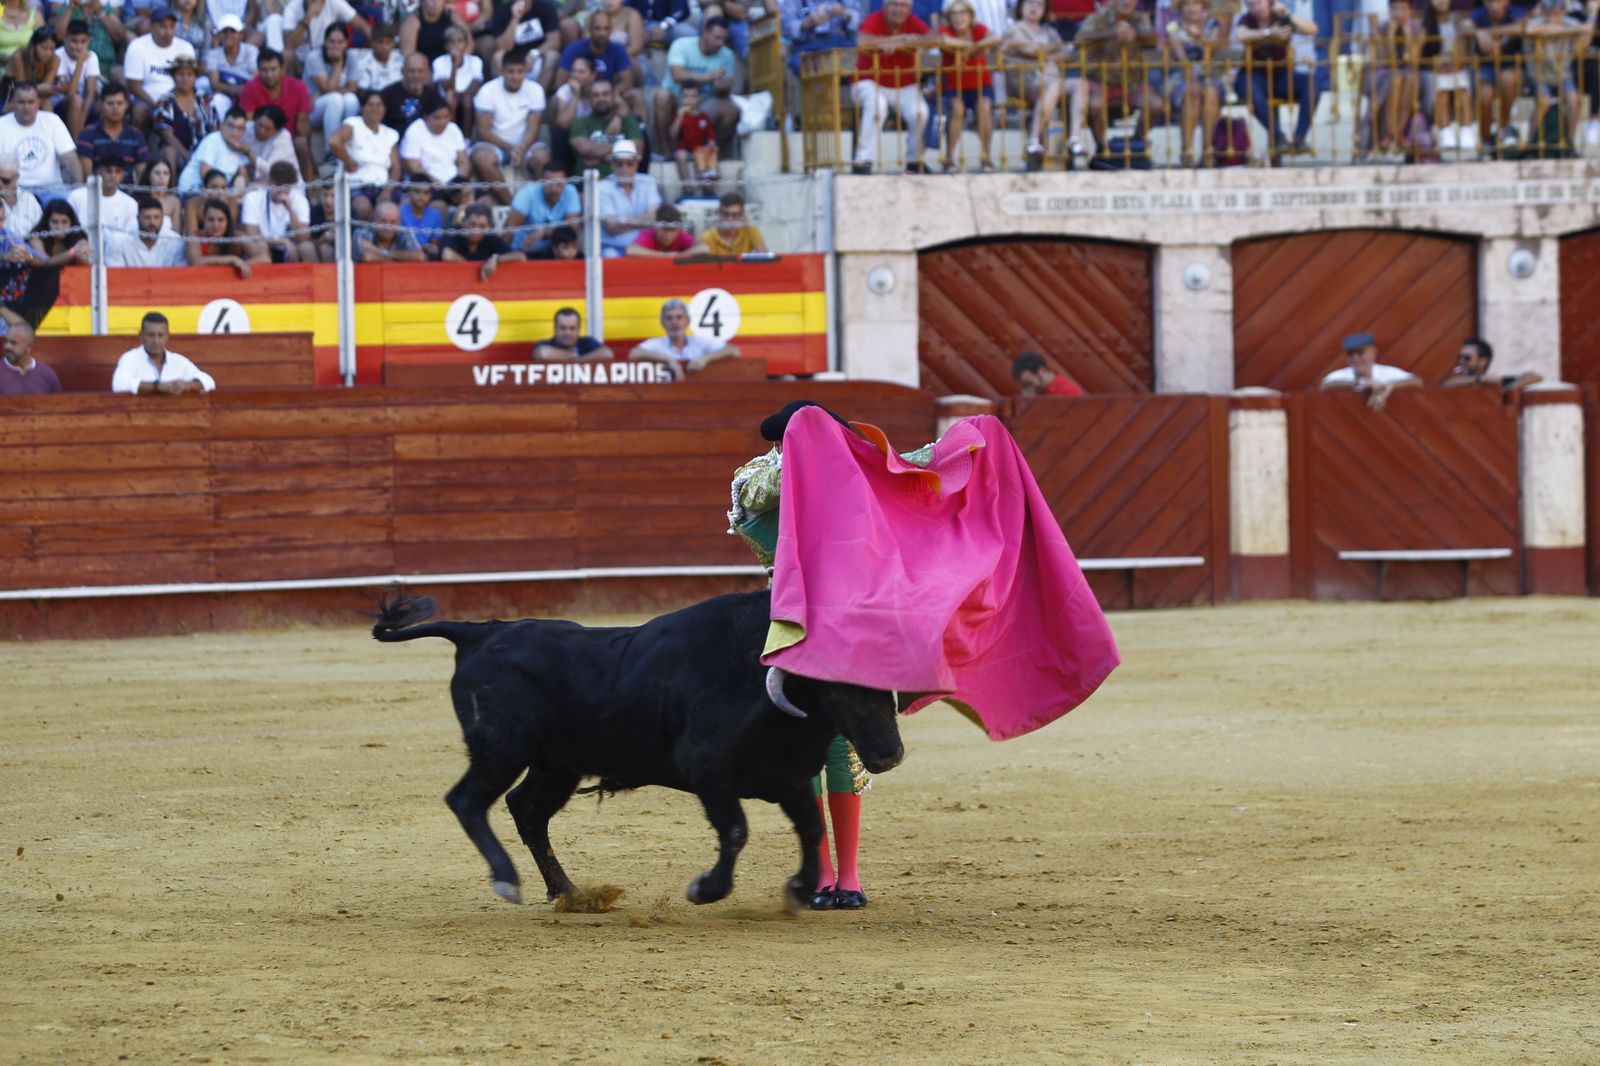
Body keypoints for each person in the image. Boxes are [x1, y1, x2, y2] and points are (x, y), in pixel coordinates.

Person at [724, 399, 879, 910]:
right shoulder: (759, 477)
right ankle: (821, 873)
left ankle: (849, 877)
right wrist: (809, 456)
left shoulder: (851, 471)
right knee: (803, 746)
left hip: (847, 620)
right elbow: (754, 503)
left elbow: (910, 469)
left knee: (843, 746)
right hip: (789, 627)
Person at [850, 0, 940, 173]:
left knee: (920, 112)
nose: (899, 9)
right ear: (885, 6)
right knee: (877, 106)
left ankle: (914, 161)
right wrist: (898, 38)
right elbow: (862, 42)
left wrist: (908, 43)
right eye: (894, 4)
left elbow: (934, 39)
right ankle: (863, 160)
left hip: (903, 84)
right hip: (868, 81)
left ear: (910, 8)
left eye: (903, 5)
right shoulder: (874, 18)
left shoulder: (913, 21)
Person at [1231, 0, 1318, 159]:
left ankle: (1299, 138)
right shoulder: (1247, 19)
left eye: (1258, 3)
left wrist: (1288, 15)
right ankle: (1278, 137)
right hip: (1253, 75)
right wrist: (1269, 33)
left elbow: (1311, 29)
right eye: (1251, 5)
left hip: (1281, 76)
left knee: (1312, 82)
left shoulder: (1282, 18)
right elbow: (1240, 35)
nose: (1255, 8)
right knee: (1250, 88)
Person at [1004, 0, 1083, 167]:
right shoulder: (1014, 29)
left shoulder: (1050, 31)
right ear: (1021, 7)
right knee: (1052, 85)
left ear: (1045, 9)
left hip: (1051, 80)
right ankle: (1033, 141)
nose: (1034, 7)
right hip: (1024, 81)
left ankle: (1074, 140)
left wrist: (1043, 55)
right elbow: (1032, 51)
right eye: (1030, 3)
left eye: (1039, 4)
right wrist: (1053, 49)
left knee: (1078, 83)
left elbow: (1066, 55)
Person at [654, 16, 739, 162]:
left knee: (731, 109)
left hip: (704, 104)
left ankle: (712, 152)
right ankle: (666, 152)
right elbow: (677, 74)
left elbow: (722, 92)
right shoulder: (682, 44)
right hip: (677, 99)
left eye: (724, 39)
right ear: (705, 32)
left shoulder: (727, 55)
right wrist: (708, 77)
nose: (720, 43)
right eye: (717, 37)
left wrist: (722, 86)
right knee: (662, 96)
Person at [470, 46, 546, 198]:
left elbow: (534, 129)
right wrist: (511, 148)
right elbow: (483, 131)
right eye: (511, 71)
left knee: (543, 158)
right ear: (502, 71)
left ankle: (538, 205)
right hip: (496, 144)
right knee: (482, 158)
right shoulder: (487, 91)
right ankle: (512, 205)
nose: (515, 76)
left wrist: (521, 148)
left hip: (525, 143)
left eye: (520, 71)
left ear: (526, 71)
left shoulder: (536, 90)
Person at [1165, 0, 1226, 166]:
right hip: (1181, 74)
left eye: (1196, 3)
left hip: (1208, 74)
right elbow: (1180, 57)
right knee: (1191, 92)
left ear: (1203, 6)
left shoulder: (1213, 24)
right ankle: (1187, 151)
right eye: (1187, 4)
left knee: (1210, 92)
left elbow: (1211, 49)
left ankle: (1208, 151)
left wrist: (1199, 37)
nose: (1192, 8)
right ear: (1181, 7)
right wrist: (1191, 76)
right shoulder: (1173, 27)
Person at [240, 49, 314, 177]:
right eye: (264, 70)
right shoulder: (250, 88)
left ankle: (310, 189)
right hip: (262, 138)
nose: (269, 75)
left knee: (302, 143)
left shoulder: (298, 86)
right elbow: (250, 125)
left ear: (283, 69)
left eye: (273, 69)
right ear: (258, 70)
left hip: (289, 138)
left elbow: (302, 124)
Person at [0, 82, 84, 194]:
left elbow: (70, 159)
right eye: (21, 102)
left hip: (52, 189)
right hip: (14, 191)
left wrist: (79, 189)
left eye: (31, 102)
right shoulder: (2, 125)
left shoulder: (52, 121)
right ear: (13, 103)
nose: (26, 107)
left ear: (39, 103)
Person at [329, 90, 400, 220]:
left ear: (384, 109)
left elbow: (396, 168)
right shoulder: (353, 124)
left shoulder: (390, 134)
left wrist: (387, 191)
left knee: (399, 206)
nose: (375, 109)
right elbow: (334, 141)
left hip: (383, 186)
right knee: (362, 206)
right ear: (362, 108)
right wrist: (349, 162)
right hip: (357, 186)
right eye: (370, 104)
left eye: (379, 105)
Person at [124, 7, 198, 130]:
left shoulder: (186, 48)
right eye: (163, 27)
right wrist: (158, 106)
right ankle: (141, 148)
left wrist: (173, 105)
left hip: (178, 97)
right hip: (147, 99)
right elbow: (134, 86)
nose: (168, 31)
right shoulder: (137, 46)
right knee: (139, 110)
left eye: (172, 26)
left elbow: (190, 81)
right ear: (152, 27)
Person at [629, 296, 739, 378]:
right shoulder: (658, 344)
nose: (674, 322)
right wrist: (669, 360)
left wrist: (705, 358)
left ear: (687, 321)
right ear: (663, 323)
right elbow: (634, 353)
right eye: (669, 318)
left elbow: (734, 350)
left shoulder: (699, 341)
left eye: (679, 317)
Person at [112, 311, 216, 394]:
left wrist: (187, 385)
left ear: (167, 336)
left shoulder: (178, 361)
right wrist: (157, 387)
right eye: (151, 335)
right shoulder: (130, 358)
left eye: (161, 335)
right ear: (141, 335)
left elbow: (209, 382)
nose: (156, 341)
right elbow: (118, 384)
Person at [1320, 332, 1421, 410]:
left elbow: (1417, 381)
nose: (1355, 358)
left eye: (1360, 352)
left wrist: (1387, 387)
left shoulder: (1386, 372)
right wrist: (1361, 383)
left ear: (1373, 353)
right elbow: (1326, 385)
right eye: (1350, 353)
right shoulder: (1341, 375)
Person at [239, 160, 315, 262]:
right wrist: (281, 242)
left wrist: (290, 209)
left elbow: (304, 237)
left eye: (286, 187)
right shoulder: (253, 198)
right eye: (279, 185)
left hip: (292, 250)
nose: (282, 191)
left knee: (307, 248)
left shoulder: (300, 200)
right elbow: (252, 234)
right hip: (266, 247)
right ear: (270, 181)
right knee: (260, 246)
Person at [596, 138, 659, 257]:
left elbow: (654, 218)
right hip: (613, 247)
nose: (624, 168)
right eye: (619, 164)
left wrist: (621, 221)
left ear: (637, 164)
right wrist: (643, 221)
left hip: (645, 246)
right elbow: (611, 227)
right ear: (612, 165)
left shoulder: (648, 181)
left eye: (629, 163)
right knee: (610, 256)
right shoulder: (602, 187)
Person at [569, 77, 643, 178]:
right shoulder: (580, 123)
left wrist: (601, 157)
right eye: (596, 95)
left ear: (613, 97)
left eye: (605, 94)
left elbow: (637, 149)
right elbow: (586, 149)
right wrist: (623, 149)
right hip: (590, 184)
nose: (601, 99)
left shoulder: (629, 122)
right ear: (590, 99)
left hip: (624, 183)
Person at [152, 52, 216, 167]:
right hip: (179, 154)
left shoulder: (205, 99)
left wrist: (204, 156)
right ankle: (172, 185)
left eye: (190, 74)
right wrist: (189, 158)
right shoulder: (164, 102)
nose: (185, 78)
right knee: (169, 152)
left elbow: (214, 128)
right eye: (180, 74)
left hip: (204, 153)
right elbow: (167, 135)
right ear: (173, 76)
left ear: (195, 77)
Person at [305, 22, 362, 151]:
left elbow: (353, 87)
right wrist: (338, 63)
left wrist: (331, 91)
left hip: (336, 103)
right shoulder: (315, 57)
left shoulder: (352, 56)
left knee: (351, 99)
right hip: (312, 108)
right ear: (325, 42)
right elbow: (328, 89)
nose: (336, 46)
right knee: (335, 99)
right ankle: (331, 151)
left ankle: (348, 147)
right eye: (332, 41)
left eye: (340, 42)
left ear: (346, 43)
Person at [399, 89, 470, 191]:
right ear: (426, 117)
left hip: (455, 186)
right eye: (437, 118)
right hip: (427, 187)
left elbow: (463, 162)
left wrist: (457, 185)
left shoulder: (453, 128)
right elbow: (414, 168)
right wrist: (441, 186)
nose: (442, 122)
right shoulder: (414, 131)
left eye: (446, 117)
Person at [504, 161, 578, 252]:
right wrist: (503, 255)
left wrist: (543, 234)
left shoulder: (571, 192)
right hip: (523, 252)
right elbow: (509, 227)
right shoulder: (527, 193)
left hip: (554, 253)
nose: (554, 189)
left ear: (566, 183)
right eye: (549, 184)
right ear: (541, 181)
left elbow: (571, 232)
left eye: (558, 184)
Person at [177, 105, 254, 193]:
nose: (234, 132)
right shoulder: (213, 140)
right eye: (231, 126)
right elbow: (206, 174)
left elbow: (244, 176)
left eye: (239, 128)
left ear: (244, 131)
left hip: (219, 192)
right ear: (222, 126)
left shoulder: (240, 146)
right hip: (194, 189)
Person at [75, 83, 150, 171]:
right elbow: (87, 176)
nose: (115, 108)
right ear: (101, 105)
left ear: (126, 105)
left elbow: (141, 175)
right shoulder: (88, 134)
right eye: (110, 103)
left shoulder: (137, 136)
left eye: (119, 103)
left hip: (128, 185)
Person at [441, 201, 524, 279]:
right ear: (463, 222)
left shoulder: (490, 237)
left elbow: (520, 256)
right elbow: (448, 255)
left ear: (489, 227)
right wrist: (472, 269)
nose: (476, 230)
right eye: (472, 224)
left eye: (482, 226)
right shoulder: (454, 232)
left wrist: (496, 259)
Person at [68, 148, 139, 233]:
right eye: (108, 171)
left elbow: (129, 236)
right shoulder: (77, 197)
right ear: (98, 172)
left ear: (123, 175)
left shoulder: (130, 204)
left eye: (117, 172)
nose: (113, 176)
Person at [186, 194, 261, 275]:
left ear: (227, 222)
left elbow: (264, 257)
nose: (216, 225)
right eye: (211, 220)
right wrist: (232, 260)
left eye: (221, 220)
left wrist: (242, 265)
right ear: (204, 220)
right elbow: (196, 262)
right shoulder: (194, 237)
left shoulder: (236, 237)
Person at [53, 19, 102, 139]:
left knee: (106, 105)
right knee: (76, 100)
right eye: (74, 41)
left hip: (83, 104)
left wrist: (81, 122)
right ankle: (76, 145)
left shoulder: (92, 56)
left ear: (88, 41)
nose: (79, 46)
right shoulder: (57, 56)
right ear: (65, 39)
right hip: (61, 103)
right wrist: (80, 63)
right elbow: (70, 93)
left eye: (83, 41)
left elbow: (91, 93)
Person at [106, 195, 186, 265]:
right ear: (138, 218)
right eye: (147, 217)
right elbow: (116, 277)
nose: (152, 222)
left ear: (162, 219)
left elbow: (179, 277)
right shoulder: (119, 241)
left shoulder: (176, 242)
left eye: (156, 217)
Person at [1440, 336, 1544, 391]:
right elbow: (1446, 385)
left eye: (1467, 358)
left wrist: (1510, 388)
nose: (1462, 361)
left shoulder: (1493, 383)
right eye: (1460, 357)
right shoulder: (1456, 380)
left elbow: (1535, 377)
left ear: (1482, 361)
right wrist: (1480, 379)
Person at [670, 82, 718, 193]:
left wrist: (711, 146)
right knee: (680, 155)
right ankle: (687, 187)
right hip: (685, 151)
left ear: (699, 98)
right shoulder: (680, 116)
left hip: (700, 151)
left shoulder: (704, 117)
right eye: (686, 96)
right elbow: (672, 134)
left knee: (708, 153)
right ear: (681, 99)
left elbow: (711, 137)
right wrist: (679, 117)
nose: (689, 100)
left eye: (693, 96)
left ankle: (708, 188)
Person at [691, 189, 767, 255]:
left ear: (742, 216)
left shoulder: (749, 228)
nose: (730, 219)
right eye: (725, 214)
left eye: (735, 215)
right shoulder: (708, 238)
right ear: (719, 213)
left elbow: (765, 256)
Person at [204, 13, 259, 104]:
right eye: (225, 32)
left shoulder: (251, 51)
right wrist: (235, 90)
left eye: (233, 31)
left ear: (241, 34)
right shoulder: (213, 54)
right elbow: (214, 84)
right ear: (220, 35)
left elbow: (255, 81)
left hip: (248, 96)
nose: (229, 35)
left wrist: (237, 90)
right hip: (224, 96)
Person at [0, 319, 60, 395]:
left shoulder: (47, 374)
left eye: (13, 343)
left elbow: (57, 404)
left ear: (29, 347)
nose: (7, 346)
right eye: (5, 341)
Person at [381, 50, 434, 134]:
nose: (416, 76)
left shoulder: (432, 95)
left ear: (427, 73)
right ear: (402, 71)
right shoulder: (387, 94)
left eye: (420, 71)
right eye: (411, 71)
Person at [355, 200, 427, 261]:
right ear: (374, 220)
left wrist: (381, 252)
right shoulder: (363, 232)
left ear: (399, 222)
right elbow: (367, 257)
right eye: (383, 221)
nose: (388, 226)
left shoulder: (404, 232)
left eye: (392, 222)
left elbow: (420, 256)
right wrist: (400, 258)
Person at [534, 306, 611, 360]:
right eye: (562, 328)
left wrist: (577, 361)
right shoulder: (546, 344)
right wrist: (573, 356)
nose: (567, 332)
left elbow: (607, 354)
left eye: (572, 328)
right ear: (555, 328)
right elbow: (543, 354)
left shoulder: (587, 342)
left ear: (579, 329)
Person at [626, 202, 694, 256]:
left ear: (678, 229)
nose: (668, 235)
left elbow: (703, 248)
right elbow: (631, 250)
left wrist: (681, 255)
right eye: (664, 230)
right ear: (656, 227)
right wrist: (664, 255)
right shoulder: (649, 234)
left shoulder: (681, 235)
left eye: (672, 230)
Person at [351, 21, 403, 91]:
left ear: (393, 43)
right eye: (380, 42)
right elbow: (362, 89)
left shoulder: (401, 60)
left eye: (388, 42)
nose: (384, 46)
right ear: (372, 43)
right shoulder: (362, 61)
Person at [1011, 350, 1084, 396]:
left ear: (1042, 371)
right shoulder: (1041, 393)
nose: (1030, 389)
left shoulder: (1069, 392)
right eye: (1025, 386)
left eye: (1029, 383)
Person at [0, 155, 41, 236]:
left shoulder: (29, 199)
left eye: (5, 180)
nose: (0, 184)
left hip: (28, 246)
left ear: (16, 178)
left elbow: (40, 231)